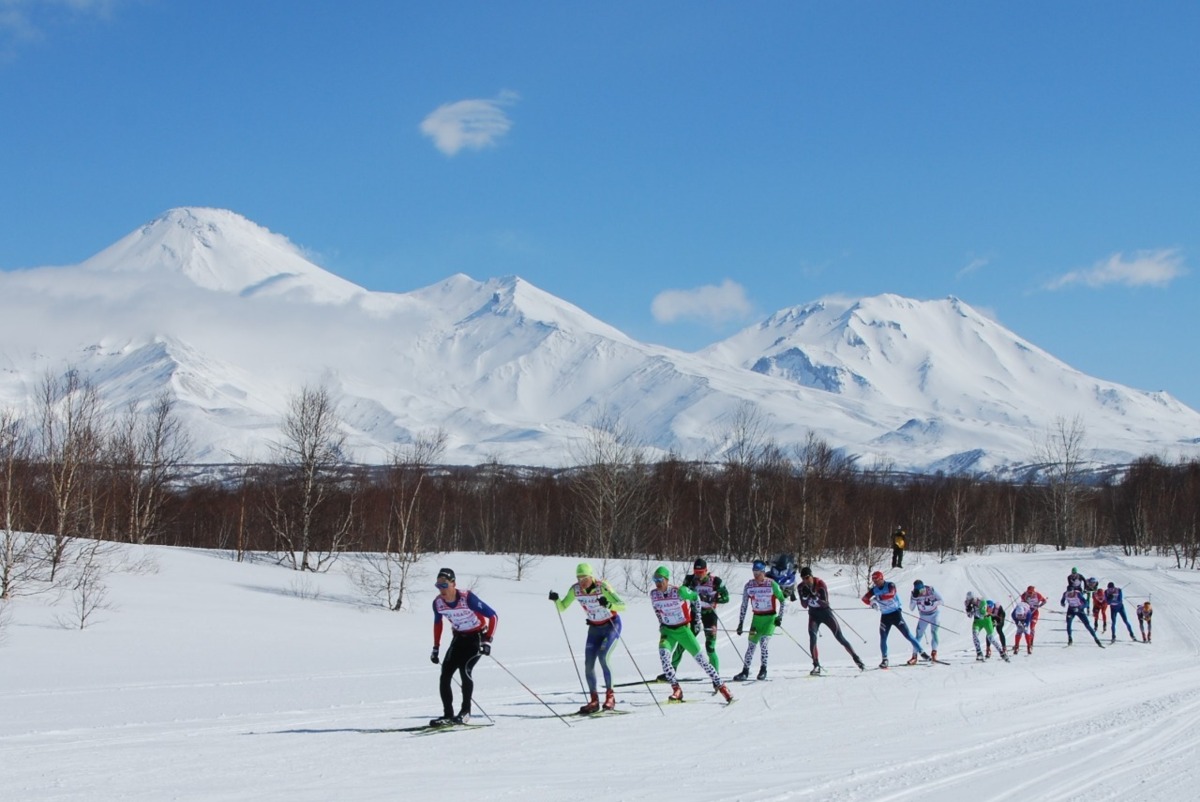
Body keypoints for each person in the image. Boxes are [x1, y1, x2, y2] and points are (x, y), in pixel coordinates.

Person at [549, 562, 626, 714]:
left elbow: (623, 605)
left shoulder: (602, 587)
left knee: (603, 657)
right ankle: (594, 700)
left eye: (584, 578)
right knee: (588, 663)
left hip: (611, 625)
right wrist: (556, 600)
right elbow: (563, 607)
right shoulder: (576, 590)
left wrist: (609, 604)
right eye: (579, 578)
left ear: (591, 576)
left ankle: (610, 696)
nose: (582, 582)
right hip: (594, 629)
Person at [650, 565, 733, 703]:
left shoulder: (679, 591)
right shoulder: (654, 594)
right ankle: (676, 689)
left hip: (683, 630)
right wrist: (661, 623)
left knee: (702, 661)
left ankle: (722, 686)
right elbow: (657, 609)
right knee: (664, 657)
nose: (657, 583)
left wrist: (698, 619)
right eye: (655, 579)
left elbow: (695, 598)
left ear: (666, 579)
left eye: (660, 579)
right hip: (668, 631)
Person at [429, 567, 498, 727]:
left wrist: (487, 641)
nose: (441, 590)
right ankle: (448, 714)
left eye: (444, 585)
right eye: (438, 586)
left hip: (477, 637)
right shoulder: (438, 603)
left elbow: (493, 616)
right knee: (445, 674)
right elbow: (437, 624)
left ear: (453, 584)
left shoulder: (467, 598)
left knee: (465, 669)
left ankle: (465, 712)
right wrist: (436, 647)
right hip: (459, 637)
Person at [665, 558, 729, 675]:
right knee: (683, 644)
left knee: (710, 647)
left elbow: (726, 598)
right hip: (694, 615)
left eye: (701, 572)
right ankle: (671, 670)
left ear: (706, 571)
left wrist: (713, 599)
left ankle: (716, 676)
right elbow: (682, 594)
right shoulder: (690, 580)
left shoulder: (716, 581)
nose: (698, 575)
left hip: (710, 616)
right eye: (696, 572)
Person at [798, 565, 864, 674]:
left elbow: (825, 603)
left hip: (825, 613)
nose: (805, 580)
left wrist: (815, 597)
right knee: (812, 638)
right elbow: (804, 605)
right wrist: (805, 597)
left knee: (839, 637)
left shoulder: (820, 584)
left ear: (811, 576)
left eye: (807, 577)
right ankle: (816, 665)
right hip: (813, 615)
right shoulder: (801, 587)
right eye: (803, 578)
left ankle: (856, 658)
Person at [862, 570, 929, 668]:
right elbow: (864, 598)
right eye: (874, 581)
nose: (875, 583)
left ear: (881, 578)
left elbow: (891, 594)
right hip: (885, 616)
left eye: (877, 581)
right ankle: (885, 660)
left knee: (907, 635)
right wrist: (872, 603)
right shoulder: (874, 589)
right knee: (883, 637)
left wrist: (877, 599)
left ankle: (922, 653)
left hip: (895, 614)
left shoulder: (890, 585)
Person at [734, 560, 786, 680]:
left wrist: (780, 617)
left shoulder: (771, 584)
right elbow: (744, 605)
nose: (756, 575)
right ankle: (745, 671)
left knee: (763, 643)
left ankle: (763, 669)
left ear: (763, 572)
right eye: (754, 572)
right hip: (756, 620)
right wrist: (740, 623)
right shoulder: (749, 585)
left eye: (758, 572)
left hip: (770, 619)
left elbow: (783, 601)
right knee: (751, 646)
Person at [964, 591, 1009, 662]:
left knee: (990, 638)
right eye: (969, 600)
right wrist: (968, 610)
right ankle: (979, 653)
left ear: (975, 598)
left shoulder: (982, 601)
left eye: (971, 600)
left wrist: (974, 611)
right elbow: (969, 616)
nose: (971, 602)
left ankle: (1002, 652)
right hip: (977, 621)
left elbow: (982, 615)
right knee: (975, 634)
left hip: (986, 620)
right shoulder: (967, 603)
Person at [909, 579, 943, 661]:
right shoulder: (915, 594)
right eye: (919, 590)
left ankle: (934, 652)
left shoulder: (930, 590)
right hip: (923, 616)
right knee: (918, 635)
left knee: (934, 632)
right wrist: (914, 599)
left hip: (934, 614)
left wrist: (933, 603)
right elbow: (911, 608)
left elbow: (942, 601)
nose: (921, 592)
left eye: (922, 590)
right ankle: (914, 656)